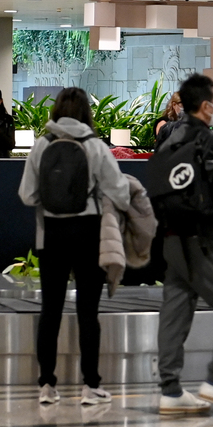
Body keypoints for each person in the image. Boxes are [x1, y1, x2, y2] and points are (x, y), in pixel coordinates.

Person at [19, 87, 130, 405]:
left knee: (50, 310)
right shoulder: (95, 145)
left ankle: (46, 385)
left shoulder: (42, 145)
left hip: (50, 235)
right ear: (86, 113)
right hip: (88, 233)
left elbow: (27, 195)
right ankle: (90, 386)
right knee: (88, 311)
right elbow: (120, 192)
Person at [153, 74, 213, 414]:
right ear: (206, 106)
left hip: (172, 236)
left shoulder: (169, 135)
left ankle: (170, 390)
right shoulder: (205, 140)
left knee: (176, 311)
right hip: (202, 238)